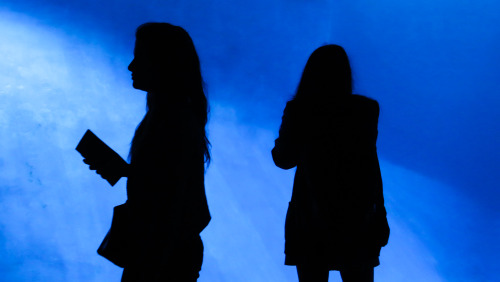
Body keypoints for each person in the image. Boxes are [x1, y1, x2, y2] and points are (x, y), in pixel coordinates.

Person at [85, 22, 211, 281]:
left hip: (159, 252)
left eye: (140, 58)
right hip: (164, 249)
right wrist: (129, 171)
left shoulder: (172, 120)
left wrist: (153, 260)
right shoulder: (174, 116)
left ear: (163, 63)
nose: (131, 66)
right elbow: (169, 183)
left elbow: (170, 199)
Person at [271, 45, 389, 282]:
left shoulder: (300, 111)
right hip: (356, 217)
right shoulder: (366, 110)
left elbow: (283, 159)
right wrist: (380, 212)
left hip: (310, 219)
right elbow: (370, 165)